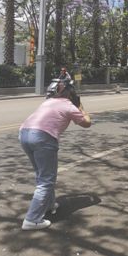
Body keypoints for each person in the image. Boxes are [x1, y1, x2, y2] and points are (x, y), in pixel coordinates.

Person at [19, 81, 91, 230]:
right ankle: (32, 219)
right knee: (46, 179)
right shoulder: (69, 106)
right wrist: (80, 106)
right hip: (43, 138)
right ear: (70, 94)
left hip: (24, 134)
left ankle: (48, 204)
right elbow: (86, 123)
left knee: (42, 174)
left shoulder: (48, 102)